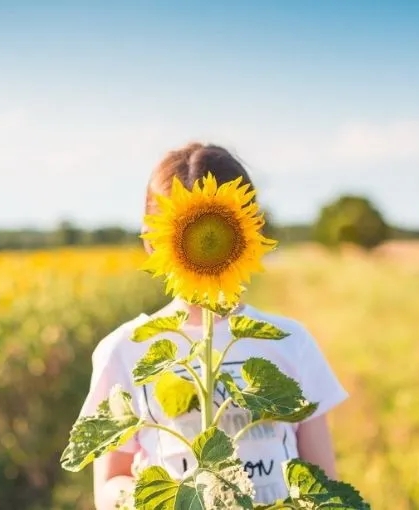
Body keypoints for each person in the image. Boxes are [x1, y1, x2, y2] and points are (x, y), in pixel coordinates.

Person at [78, 142, 349, 508]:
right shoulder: (126, 349)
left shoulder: (290, 342)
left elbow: (323, 481)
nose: (206, 242)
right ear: (152, 241)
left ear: (251, 229)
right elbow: (111, 482)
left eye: (221, 227)